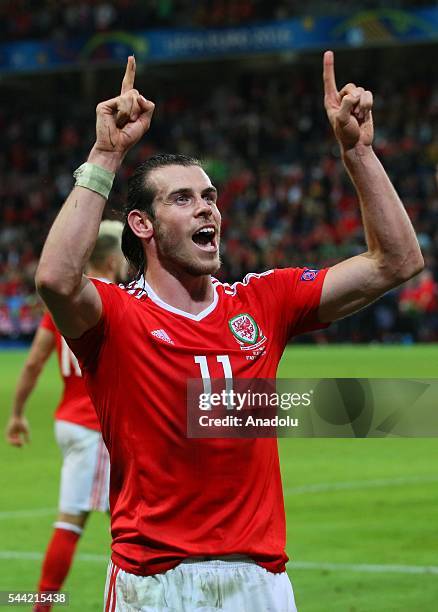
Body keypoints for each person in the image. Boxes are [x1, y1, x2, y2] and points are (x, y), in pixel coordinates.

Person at [34, 53, 423, 611]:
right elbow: (55, 278)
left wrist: (358, 153)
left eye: (211, 196)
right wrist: (106, 154)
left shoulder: (264, 301)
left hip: (259, 582)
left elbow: (397, 262)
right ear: (142, 225)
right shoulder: (117, 316)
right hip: (154, 583)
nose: (205, 209)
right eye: (183, 199)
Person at [6, 220, 127, 611]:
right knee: (84, 522)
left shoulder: (62, 301)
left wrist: (18, 414)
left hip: (70, 423)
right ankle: (43, 606)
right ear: (111, 262)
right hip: (96, 426)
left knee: (121, 518)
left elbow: (34, 362)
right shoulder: (110, 300)